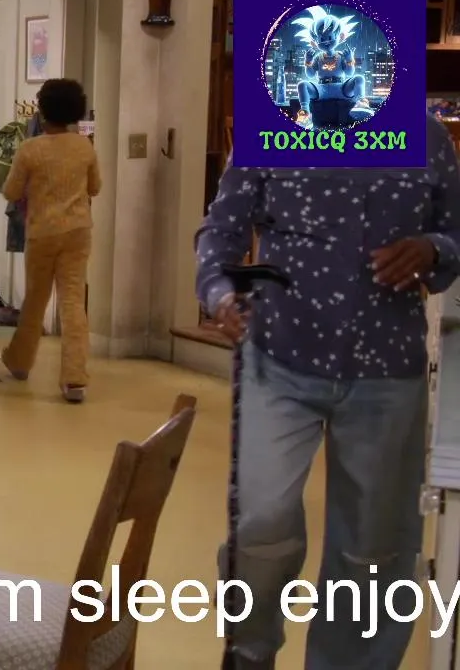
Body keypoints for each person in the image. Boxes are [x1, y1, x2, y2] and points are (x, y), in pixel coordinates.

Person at [196, 46, 457, 670]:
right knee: (260, 522)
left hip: (386, 373)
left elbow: (456, 233)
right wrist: (219, 291)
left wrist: (431, 248)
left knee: (374, 544)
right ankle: (250, 649)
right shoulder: (269, 128)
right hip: (277, 359)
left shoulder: (427, 137)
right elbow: (221, 232)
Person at [0, 78, 100, 403]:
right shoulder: (84, 147)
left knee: (35, 299)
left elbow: (11, 191)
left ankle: (20, 361)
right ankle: (75, 378)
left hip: (42, 232)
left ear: (42, 111)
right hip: (78, 232)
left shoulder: (31, 149)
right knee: (73, 302)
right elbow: (95, 187)